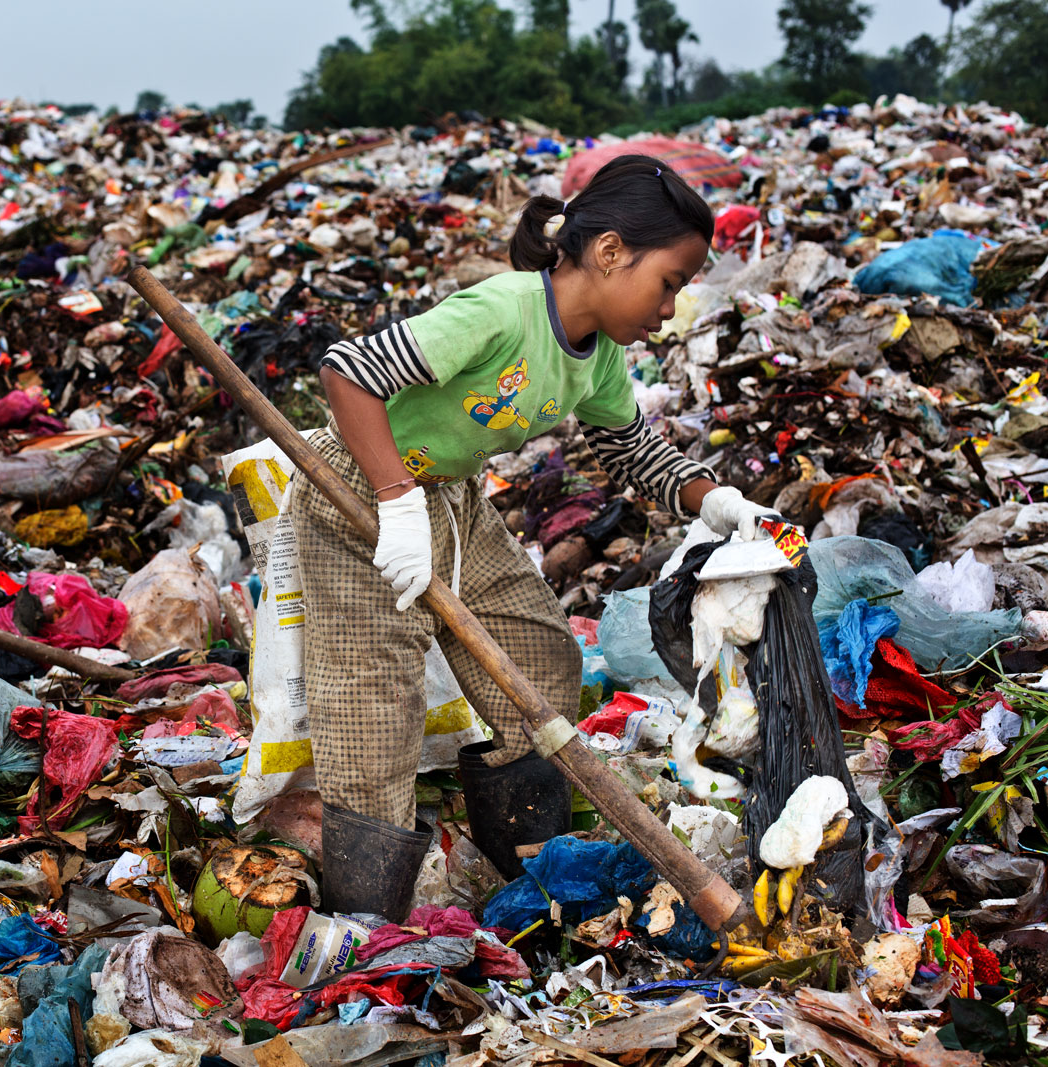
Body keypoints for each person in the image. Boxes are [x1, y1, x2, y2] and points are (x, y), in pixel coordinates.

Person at [296, 155, 777, 918]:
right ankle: (368, 921)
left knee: (540, 653)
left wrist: (717, 501)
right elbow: (348, 371)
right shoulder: (503, 308)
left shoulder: (601, 356)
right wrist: (392, 500)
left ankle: (523, 858)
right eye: (671, 282)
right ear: (613, 251)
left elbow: (631, 448)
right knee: (375, 709)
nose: (671, 306)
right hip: (354, 494)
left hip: (445, 500)